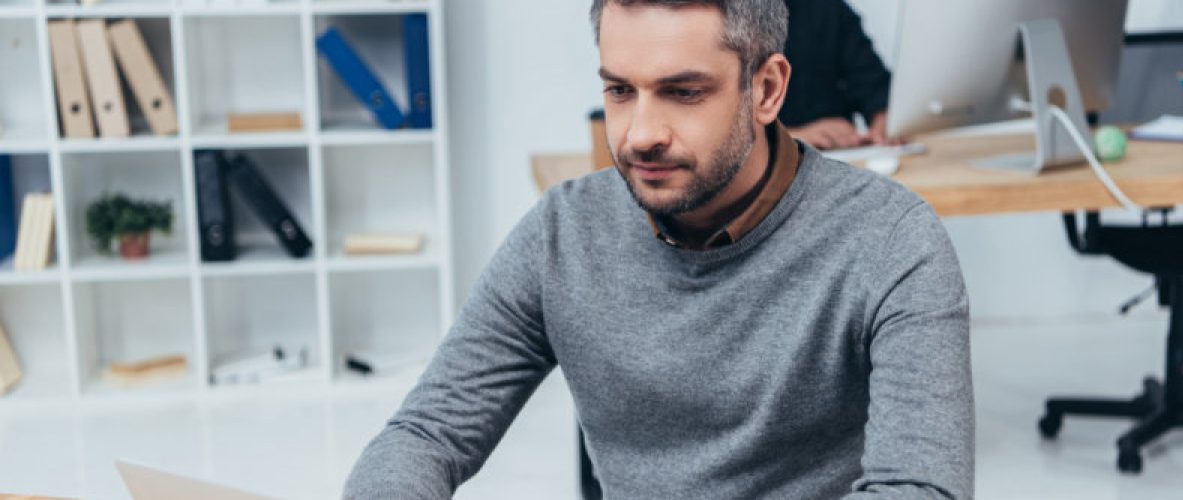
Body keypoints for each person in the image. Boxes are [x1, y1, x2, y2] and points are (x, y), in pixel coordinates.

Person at [343, 1, 973, 498]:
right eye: (620, 91)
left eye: (684, 92)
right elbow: (426, 436)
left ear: (767, 90)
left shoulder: (892, 241)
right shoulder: (561, 234)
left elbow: (919, 489)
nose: (641, 134)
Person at [778, 0, 896, 150]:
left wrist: (885, 124)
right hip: (769, 165)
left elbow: (874, 85)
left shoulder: (827, 8)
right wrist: (787, 138)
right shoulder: (740, 21)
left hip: (841, 157)